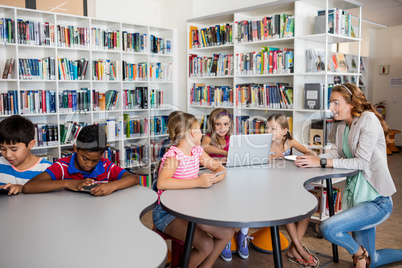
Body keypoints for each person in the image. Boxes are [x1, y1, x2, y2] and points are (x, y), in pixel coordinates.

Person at [295, 83, 402, 268]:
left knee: (329, 228)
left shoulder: (368, 120)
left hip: (376, 201)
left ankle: (360, 254)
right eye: (330, 103)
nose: (330, 108)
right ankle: (366, 257)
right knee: (372, 261)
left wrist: (321, 162)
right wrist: (314, 159)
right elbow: (335, 153)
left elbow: (361, 162)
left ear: (351, 103)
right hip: (358, 200)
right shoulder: (341, 126)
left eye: (336, 103)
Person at [153, 112, 234, 268]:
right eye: (199, 129)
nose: (202, 133)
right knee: (206, 244)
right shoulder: (174, 155)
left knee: (228, 233)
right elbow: (162, 183)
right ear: (192, 133)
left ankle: (206, 266)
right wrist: (198, 182)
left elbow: (219, 167)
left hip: (193, 209)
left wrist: (213, 179)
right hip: (167, 214)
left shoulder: (196, 150)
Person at [23, 124, 138, 195]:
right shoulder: (62, 167)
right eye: (85, 158)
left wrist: (111, 186)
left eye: (95, 160)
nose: (89, 164)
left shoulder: (106, 166)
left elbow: (133, 179)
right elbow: (29, 187)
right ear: (75, 148)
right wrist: (68, 183)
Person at [267, 114, 319, 267]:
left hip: (288, 184)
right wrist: (270, 158)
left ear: (284, 131)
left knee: (307, 207)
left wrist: (300, 158)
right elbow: (253, 162)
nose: (269, 131)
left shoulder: (289, 142)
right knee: (287, 207)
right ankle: (300, 249)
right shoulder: (264, 145)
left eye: (273, 128)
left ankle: (293, 248)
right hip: (270, 189)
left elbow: (312, 153)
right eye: (268, 127)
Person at [201, 108, 251, 261]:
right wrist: (225, 154)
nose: (222, 128)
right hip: (216, 179)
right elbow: (204, 148)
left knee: (247, 199)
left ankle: (243, 235)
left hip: (233, 176)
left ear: (230, 124)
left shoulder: (233, 138)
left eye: (226, 124)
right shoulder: (207, 138)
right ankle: (226, 239)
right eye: (218, 124)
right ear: (212, 124)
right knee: (224, 207)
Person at [0, 115, 52, 195]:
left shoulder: (47, 169)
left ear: (30, 144)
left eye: (14, 149)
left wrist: (23, 189)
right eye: (3, 149)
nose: (8, 155)